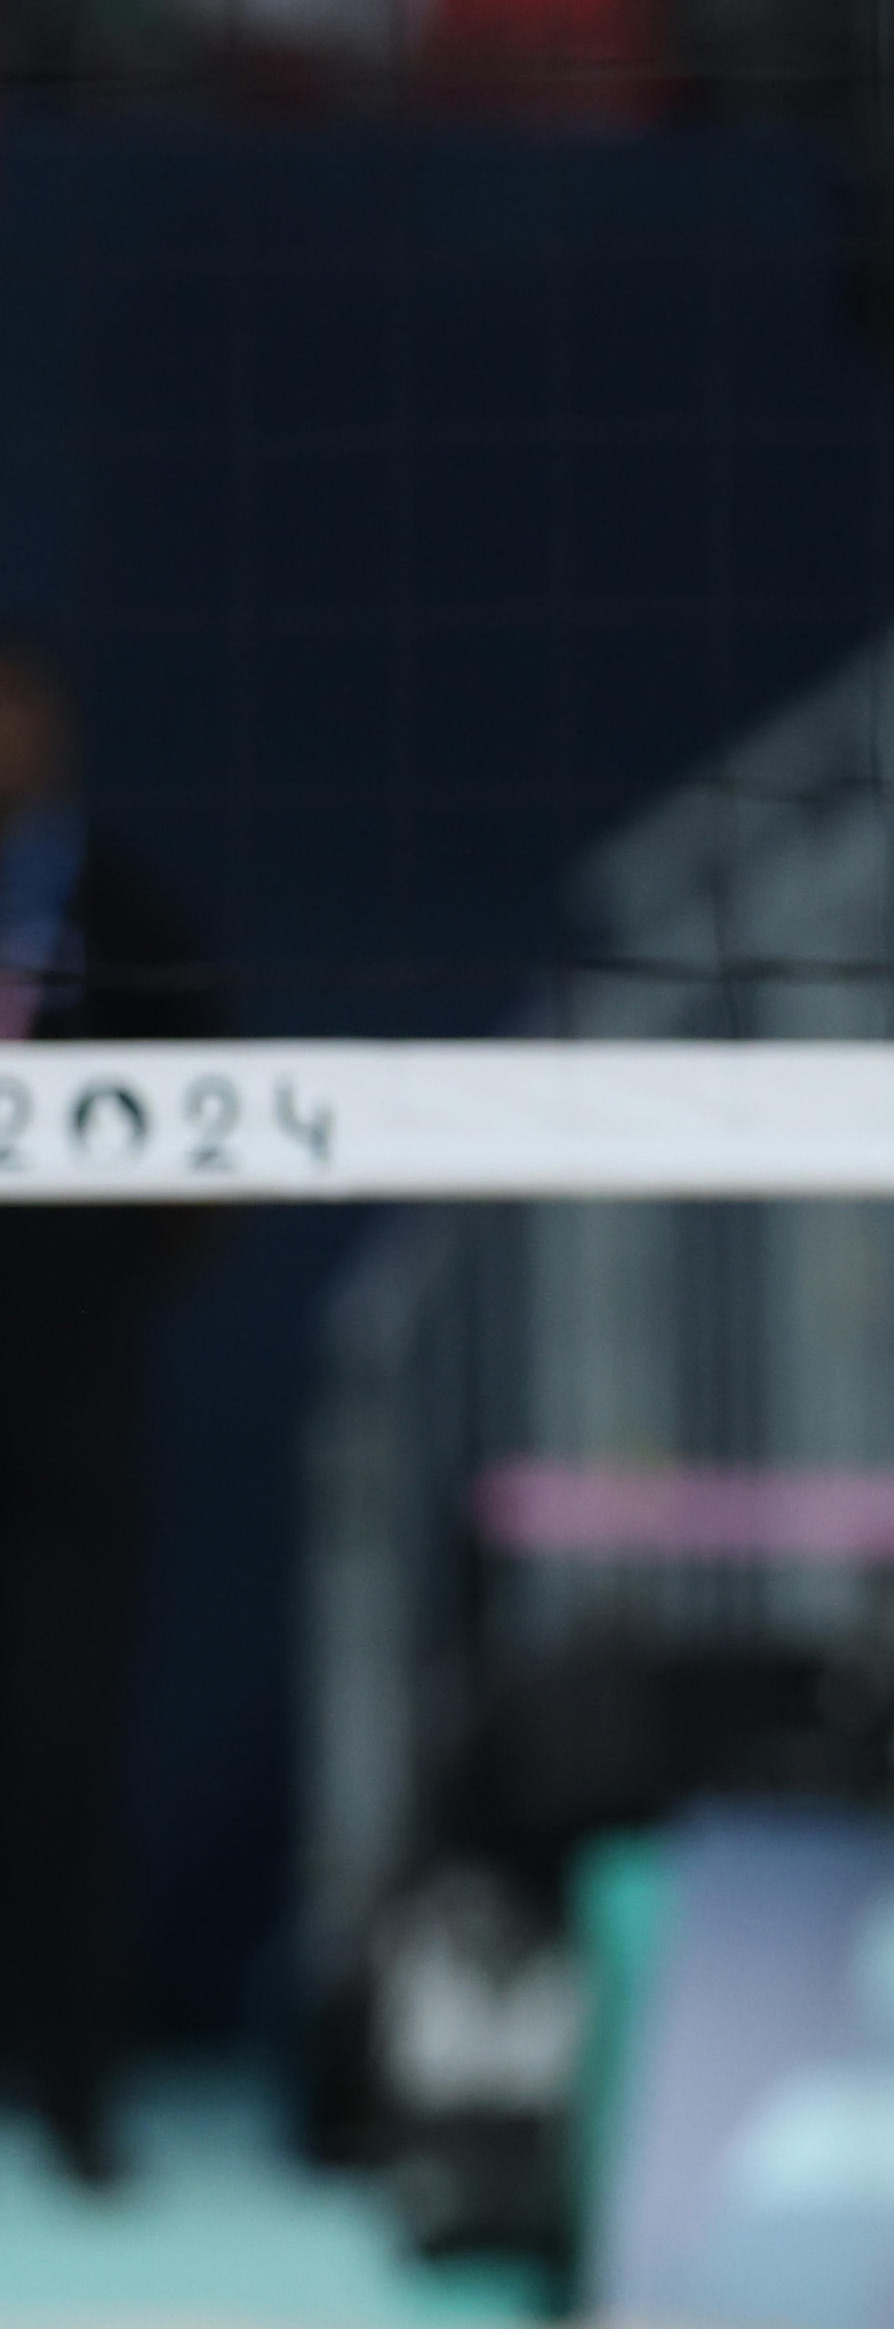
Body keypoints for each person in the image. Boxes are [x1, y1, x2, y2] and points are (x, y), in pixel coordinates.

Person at [0, 643, 225, 2191]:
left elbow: (224, 1141)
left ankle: (78, 2093)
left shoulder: (128, 915)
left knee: (70, 1755)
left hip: (74, 1405)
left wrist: (93, 1293)